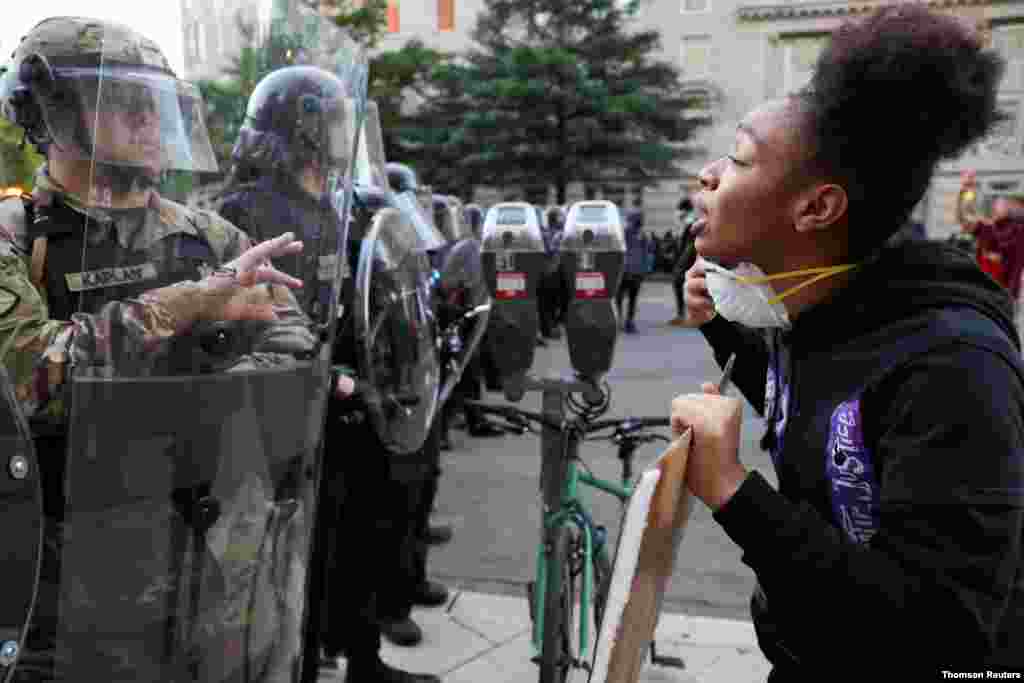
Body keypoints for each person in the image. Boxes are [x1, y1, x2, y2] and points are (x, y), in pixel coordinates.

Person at [672, 6, 1023, 678]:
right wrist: (720, 323)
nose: (708, 175)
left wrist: (732, 490)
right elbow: (832, 418)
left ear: (815, 208)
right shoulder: (827, 312)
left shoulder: (953, 367)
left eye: (739, 158)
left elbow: (940, 631)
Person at [0, 16, 348, 680]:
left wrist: (215, 368)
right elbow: (32, 380)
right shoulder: (16, 235)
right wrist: (192, 305)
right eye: (122, 100)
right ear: (53, 111)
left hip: (208, 575)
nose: (149, 120)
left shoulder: (211, 237)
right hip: (57, 598)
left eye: (155, 101)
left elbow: (296, 347)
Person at [216, 68, 440, 683]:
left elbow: (377, 297)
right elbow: (242, 318)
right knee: (295, 556)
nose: (347, 136)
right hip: (280, 412)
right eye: (337, 123)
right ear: (305, 129)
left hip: (353, 405)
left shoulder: (346, 208)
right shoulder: (245, 209)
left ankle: (363, 660)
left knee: (361, 539)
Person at [616, 198, 649, 334]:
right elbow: (646, 253)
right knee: (632, 298)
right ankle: (629, 322)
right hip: (635, 271)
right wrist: (645, 270)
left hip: (624, 270)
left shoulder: (624, 232)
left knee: (620, 296)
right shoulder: (641, 234)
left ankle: (620, 320)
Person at [668, 197, 700, 326]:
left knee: (686, 287)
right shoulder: (685, 224)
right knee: (683, 287)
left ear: (684, 211)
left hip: (689, 264)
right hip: (686, 263)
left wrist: (681, 264)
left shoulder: (691, 224)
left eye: (679, 210)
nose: (677, 213)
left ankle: (689, 316)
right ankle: (683, 315)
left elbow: (690, 247)